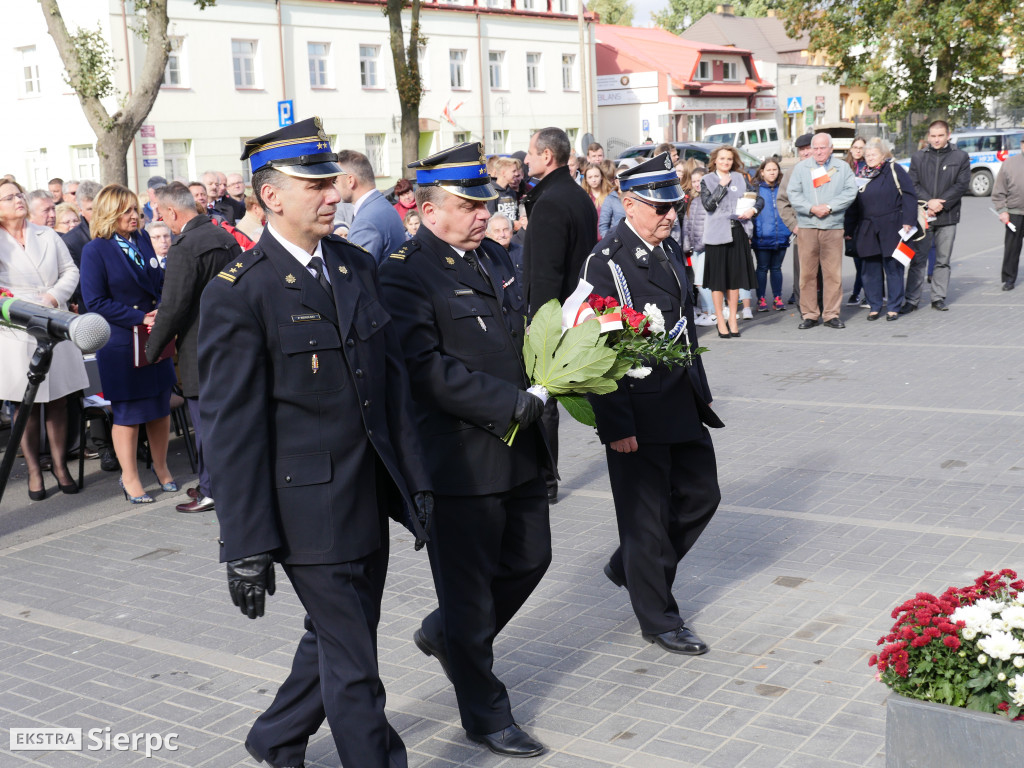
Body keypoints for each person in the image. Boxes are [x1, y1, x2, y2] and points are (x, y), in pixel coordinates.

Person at [198, 117, 430, 768]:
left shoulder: (355, 266)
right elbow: (232, 430)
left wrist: (420, 486)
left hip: (366, 499)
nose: (334, 194)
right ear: (272, 196)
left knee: (337, 639)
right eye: (317, 185)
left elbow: (392, 392)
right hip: (305, 515)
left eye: (333, 182)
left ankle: (275, 737)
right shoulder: (242, 292)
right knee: (356, 666)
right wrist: (244, 545)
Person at [379, 142, 552, 760]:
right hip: (458, 458)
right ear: (428, 210)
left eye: (485, 203)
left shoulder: (495, 257)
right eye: (467, 204)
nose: (483, 214)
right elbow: (424, 370)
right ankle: (485, 714)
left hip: (519, 446)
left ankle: (445, 636)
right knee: (469, 594)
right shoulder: (404, 271)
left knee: (533, 557)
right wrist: (508, 404)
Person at [580, 153, 723, 655]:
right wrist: (615, 423)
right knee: (644, 519)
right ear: (627, 203)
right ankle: (659, 618)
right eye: (658, 207)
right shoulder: (607, 262)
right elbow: (599, 350)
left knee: (702, 495)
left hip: (679, 397)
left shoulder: (665, 249)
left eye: (674, 207)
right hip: (636, 408)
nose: (669, 216)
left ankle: (630, 567)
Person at [79, 184, 177, 503]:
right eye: (127, 211)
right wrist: (139, 318)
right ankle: (130, 478)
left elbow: (160, 282)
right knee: (128, 413)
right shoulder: (96, 249)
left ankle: (162, 469)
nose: (135, 216)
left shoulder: (143, 239)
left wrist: (161, 307)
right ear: (110, 214)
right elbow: (94, 301)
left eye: (136, 209)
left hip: (153, 335)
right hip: (121, 340)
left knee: (160, 408)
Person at [148, 182, 241, 514]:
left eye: (161, 214)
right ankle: (218, 484)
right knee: (228, 424)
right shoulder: (224, 237)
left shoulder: (184, 246)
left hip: (200, 351)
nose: (163, 221)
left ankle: (210, 489)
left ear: (172, 212)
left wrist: (151, 350)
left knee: (204, 427)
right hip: (233, 346)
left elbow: (173, 307)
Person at [521, 126, 598, 503]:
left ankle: (546, 479)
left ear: (547, 156)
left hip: (557, 314)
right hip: (577, 306)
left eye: (530, 153)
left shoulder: (550, 200)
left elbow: (546, 271)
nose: (525, 159)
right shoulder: (576, 193)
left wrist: (540, 324)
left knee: (544, 395)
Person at [0, 179, 89, 500]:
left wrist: (52, 297)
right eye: (9, 198)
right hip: (17, 328)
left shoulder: (47, 234)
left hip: (54, 319)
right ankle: (35, 470)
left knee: (58, 399)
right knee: (25, 403)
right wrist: (20, 304)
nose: (17, 200)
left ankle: (60, 465)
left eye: (18, 194)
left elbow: (70, 270)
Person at [787, 132, 858, 329]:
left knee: (832, 274)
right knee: (807, 274)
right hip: (808, 226)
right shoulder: (801, 168)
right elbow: (793, 193)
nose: (818, 152)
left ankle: (831, 315)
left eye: (822, 148)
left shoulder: (842, 168)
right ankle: (809, 314)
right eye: (815, 148)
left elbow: (850, 191)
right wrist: (811, 208)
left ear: (831, 148)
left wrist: (830, 207)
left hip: (833, 226)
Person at [846, 138, 919, 320]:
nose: (870, 157)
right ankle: (874, 305)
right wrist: (848, 228)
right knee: (870, 268)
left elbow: (909, 195)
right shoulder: (861, 175)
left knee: (893, 267)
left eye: (874, 154)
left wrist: (908, 220)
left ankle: (894, 306)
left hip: (892, 224)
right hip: (866, 226)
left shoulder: (893, 169)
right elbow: (853, 204)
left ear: (882, 155)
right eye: (867, 154)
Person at [903, 120, 970, 312]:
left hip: (948, 216)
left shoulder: (961, 157)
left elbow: (961, 185)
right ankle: (912, 300)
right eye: (933, 136)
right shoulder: (918, 157)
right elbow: (912, 184)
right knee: (917, 259)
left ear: (948, 135)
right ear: (928, 137)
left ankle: (938, 297)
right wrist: (929, 203)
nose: (936, 139)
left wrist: (941, 203)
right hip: (923, 215)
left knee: (943, 260)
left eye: (940, 135)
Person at [700, 146, 760, 338]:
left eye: (729, 159)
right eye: (722, 159)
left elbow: (757, 199)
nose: (726, 162)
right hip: (717, 236)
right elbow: (708, 205)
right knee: (718, 281)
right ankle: (720, 319)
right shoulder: (707, 180)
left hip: (737, 233)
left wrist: (753, 210)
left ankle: (733, 318)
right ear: (715, 161)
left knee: (734, 280)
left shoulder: (741, 178)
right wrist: (722, 186)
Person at [335, 149, 407, 263]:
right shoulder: (381, 206)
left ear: (350, 181)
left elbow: (358, 275)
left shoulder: (366, 222)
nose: (334, 187)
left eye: (336, 181)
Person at [751, 158, 791, 312]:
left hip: (781, 235)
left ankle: (777, 298)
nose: (772, 172)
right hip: (762, 237)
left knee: (776, 268)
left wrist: (788, 230)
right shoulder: (756, 189)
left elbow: (789, 209)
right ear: (762, 172)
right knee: (762, 268)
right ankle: (761, 299)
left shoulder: (783, 188)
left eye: (775, 169)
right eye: (769, 170)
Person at [778, 133, 813, 305]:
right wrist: (793, 225)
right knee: (802, 273)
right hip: (802, 231)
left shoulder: (827, 170)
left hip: (825, 230)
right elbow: (782, 201)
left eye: (809, 149)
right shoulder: (791, 173)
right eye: (802, 150)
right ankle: (804, 309)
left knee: (825, 273)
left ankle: (824, 309)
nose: (806, 153)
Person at [684, 167, 716, 325]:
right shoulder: (693, 200)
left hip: (705, 247)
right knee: (699, 282)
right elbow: (687, 223)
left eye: (700, 180)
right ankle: (706, 311)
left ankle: (712, 312)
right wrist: (687, 244)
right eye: (694, 181)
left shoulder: (710, 199)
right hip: (694, 247)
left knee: (701, 282)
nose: (697, 184)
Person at [993, 133, 1024, 291]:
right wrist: (1003, 210)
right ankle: (1009, 279)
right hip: (1014, 213)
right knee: (1012, 248)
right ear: (1021, 145)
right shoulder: (1010, 164)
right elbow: (999, 190)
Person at [843, 137, 869, 307]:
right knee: (857, 258)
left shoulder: (869, 166)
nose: (858, 150)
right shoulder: (844, 167)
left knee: (868, 258)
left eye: (861, 148)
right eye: (855, 147)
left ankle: (863, 292)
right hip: (850, 217)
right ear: (850, 149)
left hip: (866, 216)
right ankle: (858, 292)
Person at [485, 156, 522, 222]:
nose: (516, 174)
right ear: (503, 173)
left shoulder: (512, 191)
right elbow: (491, 218)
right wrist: (513, 225)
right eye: (513, 171)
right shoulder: (492, 192)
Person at [582, 161, 612, 226]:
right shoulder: (583, 197)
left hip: (608, 234)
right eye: (590, 177)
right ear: (586, 179)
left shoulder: (610, 194)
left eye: (596, 176)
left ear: (601, 177)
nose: (593, 180)